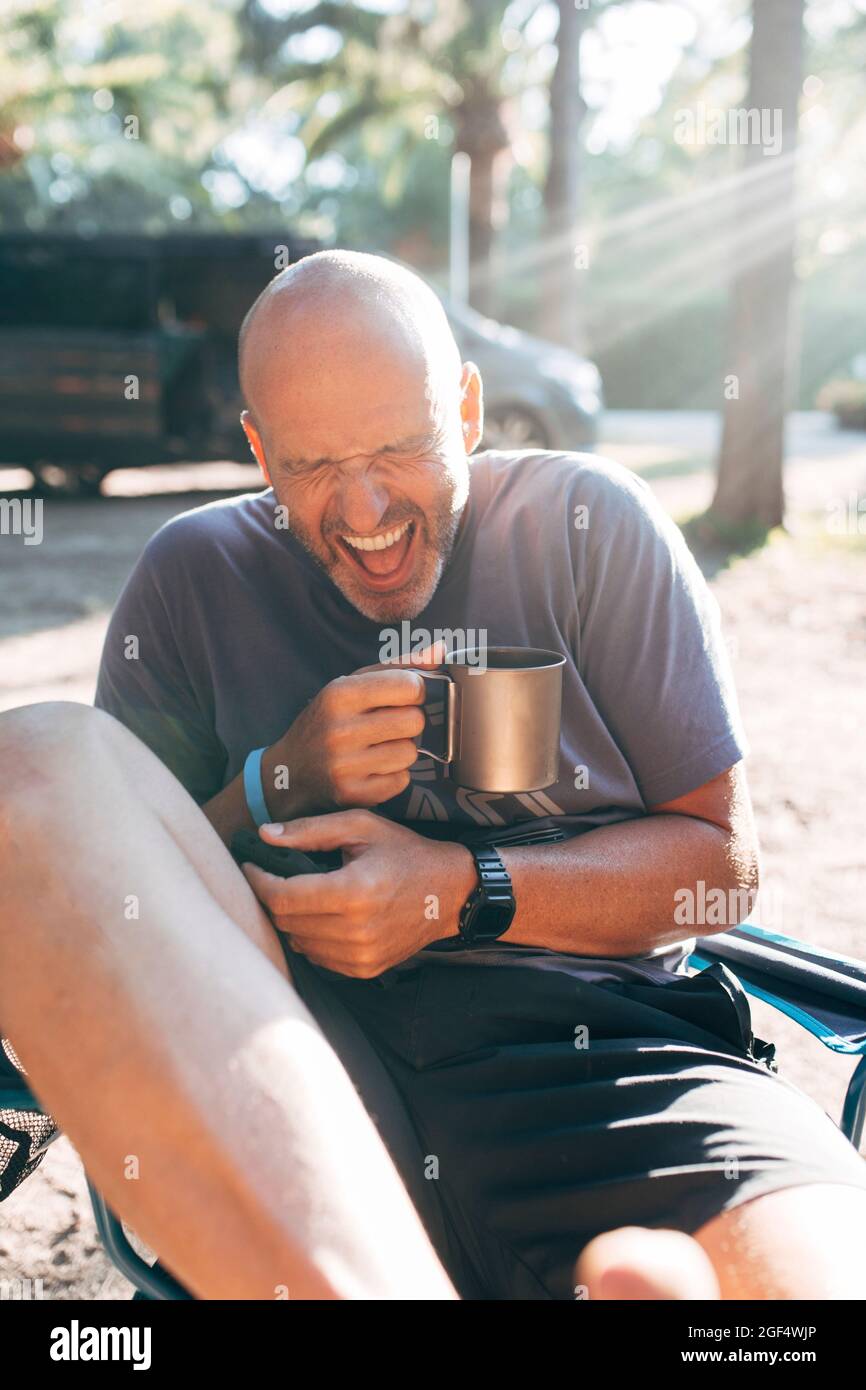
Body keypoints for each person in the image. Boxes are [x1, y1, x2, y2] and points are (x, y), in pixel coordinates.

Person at [2, 250, 865, 1301]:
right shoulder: (192, 578)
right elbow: (121, 892)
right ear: (257, 449)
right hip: (297, 1067)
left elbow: (721, 869)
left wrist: (457, 892)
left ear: (464, 406)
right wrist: (280, 779)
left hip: (611, 1058)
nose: (363, 510)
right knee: (35, 766)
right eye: (313, 466)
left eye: (398, 448)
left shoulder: (587, 527)